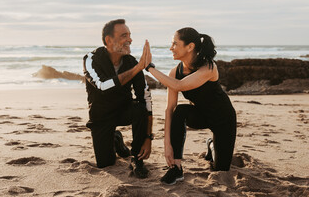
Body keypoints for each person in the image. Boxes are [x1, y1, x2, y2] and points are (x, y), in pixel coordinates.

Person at [143, 27, 236, 185]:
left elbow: (179, 85)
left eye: (174, 44)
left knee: (221, 169)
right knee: (180, 111)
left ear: (190, 47)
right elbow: (169, 108)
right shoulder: (175, 72)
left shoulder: (208, 67)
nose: (171, 48)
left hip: (223, 119)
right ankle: (176, 168)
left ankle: (212, 145)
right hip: (199, 115)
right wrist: (168, 145)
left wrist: (149, 67)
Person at [83, 19, 154, 178]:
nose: (129, 39)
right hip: (101, 117)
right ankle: (116, 139)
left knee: (140, 109)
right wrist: (137, 69)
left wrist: (148, 138)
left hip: (124, 111)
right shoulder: (91, 59)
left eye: (129, 35)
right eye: (124, 35)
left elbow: (146, 99)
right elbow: (102, 86)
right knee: (106, 163)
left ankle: (137, 159)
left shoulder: (131, 62)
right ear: (109, 40)